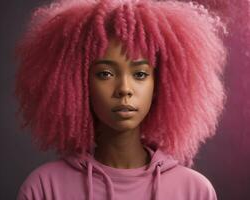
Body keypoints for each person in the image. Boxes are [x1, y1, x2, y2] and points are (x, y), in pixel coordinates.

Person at [15, 0, 227, 199]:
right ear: (79, 85)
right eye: (105, 74)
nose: (124, 89)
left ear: (160, 85)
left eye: (140, 74)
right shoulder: (45, 187)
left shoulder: (194, 191)